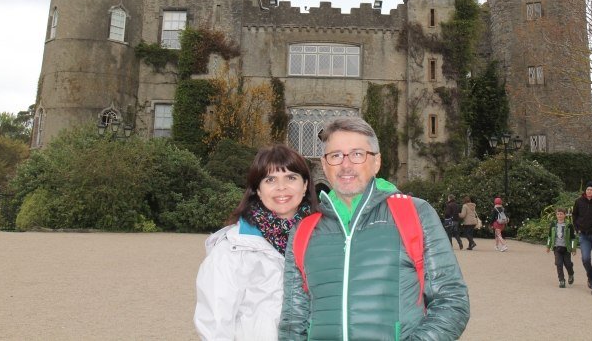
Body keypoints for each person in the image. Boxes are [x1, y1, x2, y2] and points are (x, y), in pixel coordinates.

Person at [278, 117, 469, 340]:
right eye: (336, 155)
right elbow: (293, 321)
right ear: (324, 164)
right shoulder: (304, 231)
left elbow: (452, 301)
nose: (345, 165)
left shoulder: (415, 213)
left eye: (357, 154)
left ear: (376, 162)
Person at [194, 144, 318, 340]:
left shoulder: (324, 241)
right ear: (258, 190)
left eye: (291, 178)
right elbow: (215, 325)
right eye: (270, 179)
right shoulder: (233, 249)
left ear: (305, 185)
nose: (281, 187)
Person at [545, 207, 576, 288]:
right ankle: (561, 280)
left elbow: (573, 238)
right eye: (558, 214)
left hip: (566, 248)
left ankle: (571, 274)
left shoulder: (569, 225)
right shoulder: (553, 224)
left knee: (568, 264)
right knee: (558, 264)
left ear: (565, 215)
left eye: (561, 214)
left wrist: (573, 248)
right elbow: (549, 236)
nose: (559, 215)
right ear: (556, 215)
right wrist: (548, 246)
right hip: (557, 248)